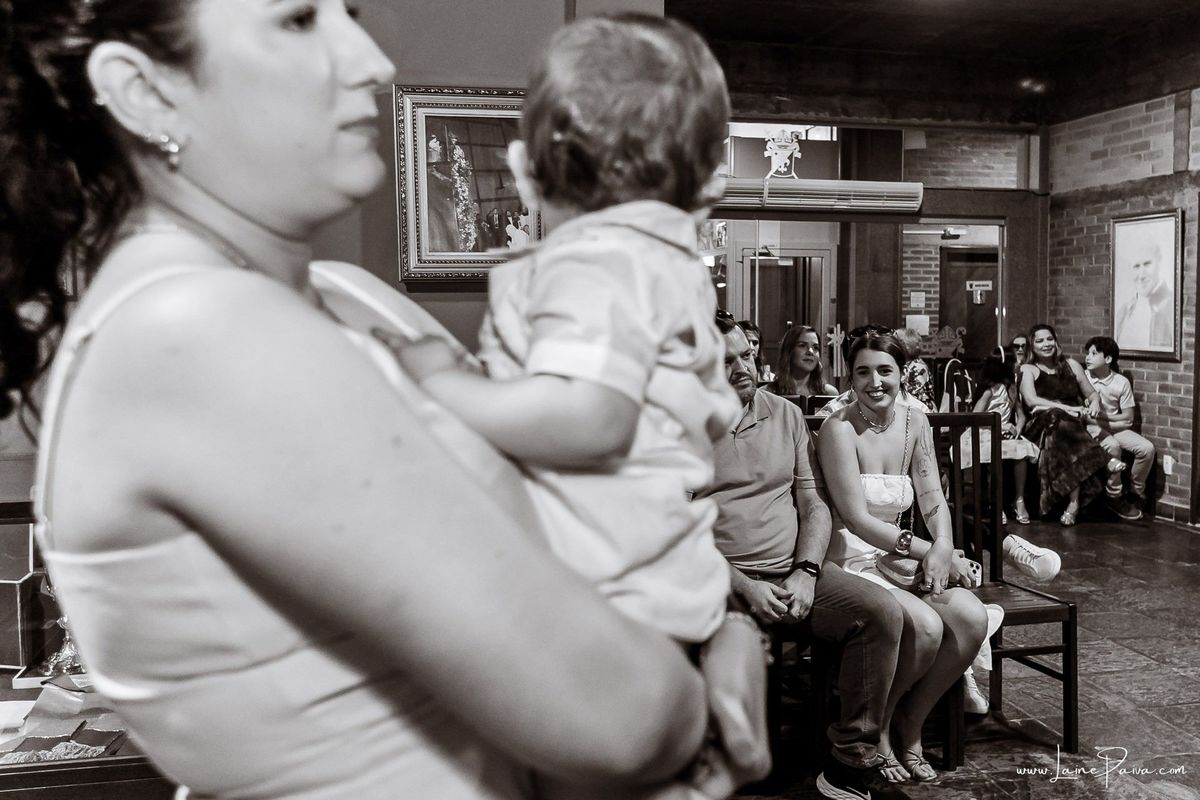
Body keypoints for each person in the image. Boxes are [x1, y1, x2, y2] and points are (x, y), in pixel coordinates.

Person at [3, 3, 767, 798]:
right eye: (300, 19)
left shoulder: (344, 295)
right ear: (142, 91)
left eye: (351, 12)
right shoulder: (195, 331)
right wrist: (716, 672)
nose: (372, 58)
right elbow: (620, 719)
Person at [700, 314, 905, 799]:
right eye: (724, 361)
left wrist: (807, 572)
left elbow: (814, 504)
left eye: (746, 356)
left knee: (879, 613)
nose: (741, 367)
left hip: (794, 572)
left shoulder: (785, 414)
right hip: (715, 581)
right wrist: (745, 586)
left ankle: (849, 762)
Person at [817, 332, 988, 785]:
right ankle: (882, 733)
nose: (875, 382)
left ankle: (912, 721)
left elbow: (932, 494)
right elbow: (855, 518)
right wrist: (928, 551)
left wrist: (945, 544)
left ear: (902, 373)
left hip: (902, 553)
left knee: (971, 617)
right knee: (929, 626)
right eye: (863, 372)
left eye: (885, 370)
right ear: (849, 377)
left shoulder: (916, 421)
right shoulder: (837, 429)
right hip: (852, 558)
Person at [1019, 324, 1123, 526]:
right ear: (1032, 346)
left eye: (1049, 339)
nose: (1046, 344)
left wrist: (1094, 402)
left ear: (1056, 341)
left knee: (1063, 439)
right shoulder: (1028, 369)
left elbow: (1092, 393)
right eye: (1039, 341)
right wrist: (1069, 409)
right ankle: (1104, 460)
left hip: (1070, 427)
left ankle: (1073, 504)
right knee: (1056, 414)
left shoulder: (1072, 365)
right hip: (1040, 423)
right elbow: (1031, 401)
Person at [1083, 336, 1155, 521]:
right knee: (1113, 445)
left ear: (1108, 359)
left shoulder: (1121, 382)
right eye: (1087, 353)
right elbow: (1086, 418)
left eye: (1093, 353)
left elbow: (1128, 418)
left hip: (1112, 426)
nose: (1087, 357)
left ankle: (1134, 492)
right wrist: (1111, 421)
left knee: (1147, 449)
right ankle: (1113, 495)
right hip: (1092, 429)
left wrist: (1102, 418)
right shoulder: (1083, 378)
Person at [973, 356, 1040, 526]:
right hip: (985, 431)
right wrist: (1002, 426)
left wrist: (1018, 427)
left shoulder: (1011, 389)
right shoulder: (990, 390)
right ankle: (996, 503)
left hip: (1006, 433)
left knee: (1021, 451)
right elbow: (977, 415)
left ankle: (1019, 500)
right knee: (996, 454)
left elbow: (1021, 414)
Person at [1114, 239, 1173, 350]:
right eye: (1136, 266)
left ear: (1159, 262)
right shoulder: (1124, 311)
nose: (1141, 275)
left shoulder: (1171, 307)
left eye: (1147, 264)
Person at [771, 325, 837, 398]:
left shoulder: (829, 393)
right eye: (802, 345)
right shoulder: (769, 393)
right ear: (789, 351)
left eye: (815, 347)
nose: (810, 352)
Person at [893, 328, 936, 413]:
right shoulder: (904, 364)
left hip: (923, 414)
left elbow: (912, 397)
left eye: (895, 342)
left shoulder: (918, 367)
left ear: (904, 346)